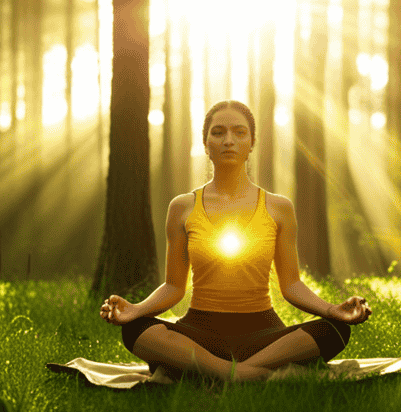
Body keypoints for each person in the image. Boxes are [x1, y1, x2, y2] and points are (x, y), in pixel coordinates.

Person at [99, 100, 372, 383]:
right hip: (200, 331)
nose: (229, 140)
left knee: (337, 329)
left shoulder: (279, 207)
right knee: (134, 330)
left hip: (263, 334)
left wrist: (332, 310)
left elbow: (291, 285)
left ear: (251, 142)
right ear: (206, 144)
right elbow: (173, 286)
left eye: (239, 132)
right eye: (218, 132)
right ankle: (241, 375)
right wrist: (136, 310)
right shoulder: (182, 207)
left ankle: (217, 371)